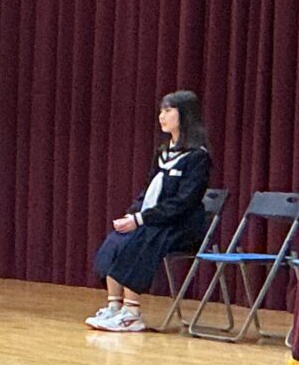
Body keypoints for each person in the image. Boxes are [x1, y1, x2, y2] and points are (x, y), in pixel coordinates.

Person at [87, 90, 211, 332]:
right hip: (155, 219)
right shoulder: (162, 152)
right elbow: (148, 189)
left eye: (168, 110)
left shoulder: (198, 157)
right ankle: (114, 306)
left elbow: (183, 202)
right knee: (118, 238)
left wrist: (141, 219)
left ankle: (132, 313)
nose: (161, 116)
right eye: (161, 111)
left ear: (184, 115)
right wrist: (132, 214)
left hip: (182, 225)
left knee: (143, 238)